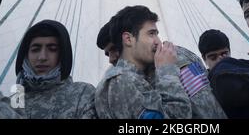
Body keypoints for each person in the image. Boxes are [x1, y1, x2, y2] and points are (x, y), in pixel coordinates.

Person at [96, 19, 226, 119]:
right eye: (107, 53)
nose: (111, 58)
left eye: (114, 49)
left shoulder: (176, 58)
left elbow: (206, 107)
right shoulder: (128, 78)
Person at [95, 5, 191, 119]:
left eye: (157, 34)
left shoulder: (132, 77)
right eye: (151, 34)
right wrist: (167, 70)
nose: (158, 42)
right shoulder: (122, 81)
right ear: (128, 39)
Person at [15, 20, 96, 118]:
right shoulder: (16, 99)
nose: (42, 57)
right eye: (35, 50)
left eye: (52, 49)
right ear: (26, 56)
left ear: (63, 55)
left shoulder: (83, 94)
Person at [198, 29, 249, 119]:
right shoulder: (202, 88)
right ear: (204, 59)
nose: (220, 61)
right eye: (213, 57)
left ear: (229, 51)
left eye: (224, 54)